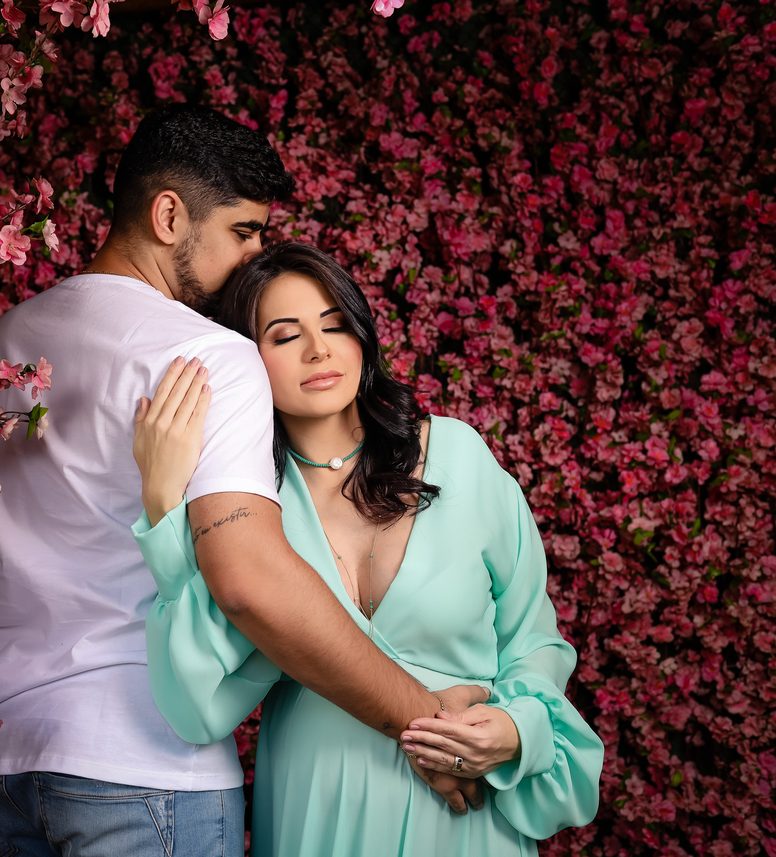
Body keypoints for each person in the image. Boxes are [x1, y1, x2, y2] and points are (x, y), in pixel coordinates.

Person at [0, 105, 483, 857]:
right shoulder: (206, 355)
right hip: (139, 760)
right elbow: (250, 581)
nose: (255, 255)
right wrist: (422, 721)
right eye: (243, 231)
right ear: (169, 215)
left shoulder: (5, 341)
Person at [130, 241, 604, 857]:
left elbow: (533, 639)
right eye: (284, 335)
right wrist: (163, 502)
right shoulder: (247, 510)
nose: (318, 350)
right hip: (317, 807)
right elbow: (198, 705)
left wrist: (516, 729)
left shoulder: (458, 454)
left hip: (467, 807)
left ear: (361, 336)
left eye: (334, 325)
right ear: (244, 357)